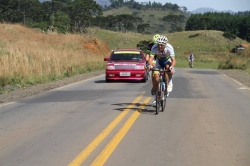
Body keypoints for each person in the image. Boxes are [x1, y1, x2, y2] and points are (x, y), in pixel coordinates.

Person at [148, 35, 176, 106]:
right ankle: (156, 98)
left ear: (165, 44)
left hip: (167, 60)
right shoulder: (154, 47)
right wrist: (150, 65)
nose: (160, 46)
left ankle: (170, 81)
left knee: (168, 67)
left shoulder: (169, 48)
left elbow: (173, 60)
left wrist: (172, 67)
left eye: (162, 45)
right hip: (159, 61)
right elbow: (151, 58)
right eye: (159, 45)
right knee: (156, 77)